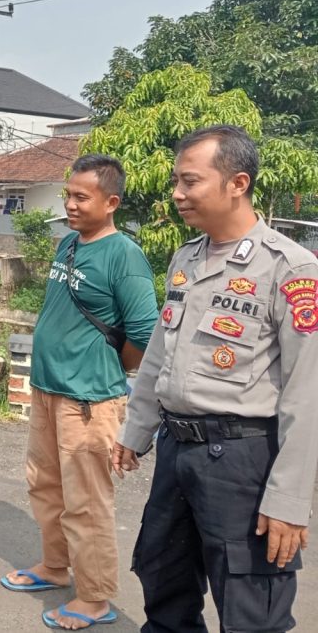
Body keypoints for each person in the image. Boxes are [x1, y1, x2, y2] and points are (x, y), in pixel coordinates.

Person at [113, 125, 318, 633]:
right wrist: (135, 432)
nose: (177, 194)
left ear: (237, 183)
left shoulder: (290, 269)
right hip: (177, 450)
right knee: (162, 579)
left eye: (190, 182)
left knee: (252, 609)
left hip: (243, 461)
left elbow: (307, 392)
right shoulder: (186, 258)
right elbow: (160, 352)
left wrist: (290, 501)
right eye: (176, 182)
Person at [0, 154, 159, 630]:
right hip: (48, 391)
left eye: (80, 197)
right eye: (68, 194)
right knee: (45, 486)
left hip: (89, 401)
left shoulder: (123, 255)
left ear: (110, 202)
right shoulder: (69, 244)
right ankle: (54, 566)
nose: (69, 204)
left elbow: (145, 334)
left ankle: (94, 597)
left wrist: (110, 371)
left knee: (87, 502)